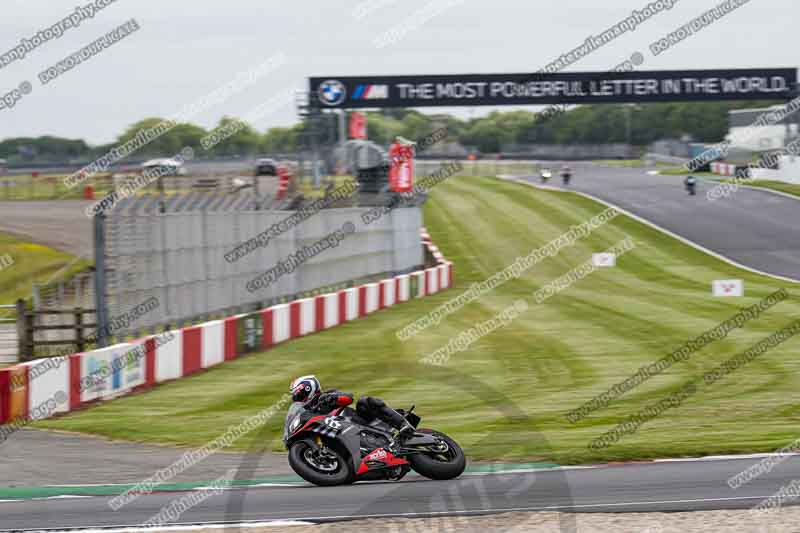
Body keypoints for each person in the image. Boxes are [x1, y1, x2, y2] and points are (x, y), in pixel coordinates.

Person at [289, 375, 415, 439]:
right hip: (340, 436)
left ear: (308, 388)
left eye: (298, 394)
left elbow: (348, 398)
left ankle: (403, 424)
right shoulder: (306, 413)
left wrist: (332, 398)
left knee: (364, 402)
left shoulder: (326, 395)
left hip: (359, 423)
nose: (297, 398)